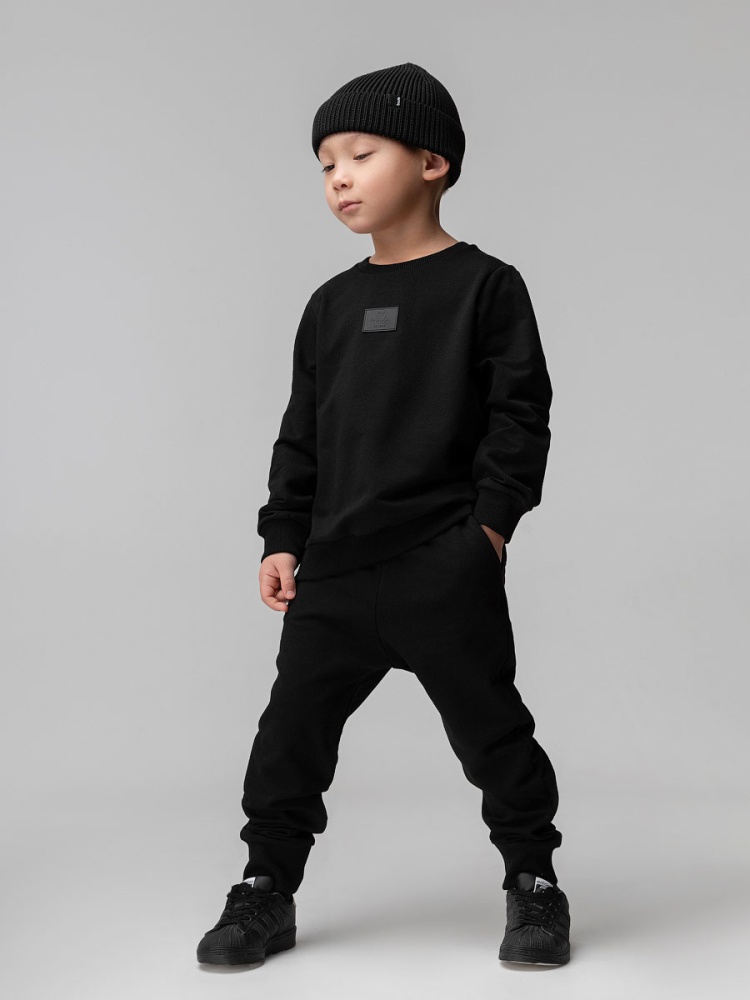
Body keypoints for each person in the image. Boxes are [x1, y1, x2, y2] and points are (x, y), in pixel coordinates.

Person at [196, 61, 571, 968]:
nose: (339, 178)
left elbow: (520, 417)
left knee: (493, 734)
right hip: (333, 569)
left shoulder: (487, 287)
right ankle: (264, 888)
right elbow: (302, 435)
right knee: (289, 738)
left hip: (443, 565)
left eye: (360, 154)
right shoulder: (329, 305)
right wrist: (282, 537)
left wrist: (489, 531)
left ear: (432, 161)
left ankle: (534, 883)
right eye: (326, 163)